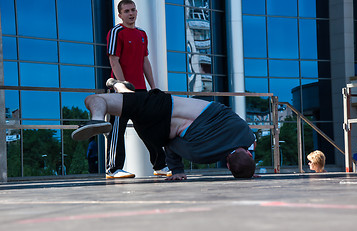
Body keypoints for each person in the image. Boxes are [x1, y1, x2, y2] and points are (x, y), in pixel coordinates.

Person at [71, 81, 256, 180]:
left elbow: (251, 141)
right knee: (133, 106)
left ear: (248, 154)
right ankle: (121, 87)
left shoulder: (244, 131)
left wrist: (250, 166)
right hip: (157, 134)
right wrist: (177, 170)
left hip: (162, 104)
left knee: (95, 99)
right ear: (229, 166)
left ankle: (97, 117)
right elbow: (171, 146)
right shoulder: (202, 155)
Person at [106, 0, 169, 178]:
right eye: (126, 11)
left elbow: (144, 61)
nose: (131, 13)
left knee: (150, 127)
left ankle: (160, 165)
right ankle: (113, 169)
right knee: (117, 129)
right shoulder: (116, 32)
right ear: (120, 15)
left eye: (133, 10)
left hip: (141, 90)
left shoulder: (142, 34)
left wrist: (154, 87)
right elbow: (113, 59)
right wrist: (122, 84)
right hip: (121, 89)